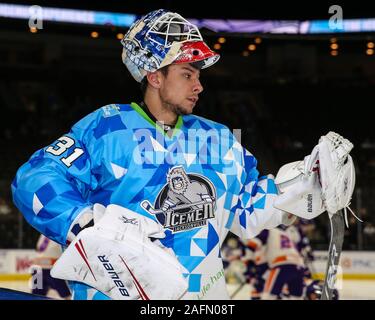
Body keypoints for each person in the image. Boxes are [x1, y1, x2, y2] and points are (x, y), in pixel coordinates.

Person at [11, 9, 328, 300]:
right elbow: (35, 177)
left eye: (198, 76)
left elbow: (248, 209)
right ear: (154, 76)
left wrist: (306, 184)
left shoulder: (218, 137)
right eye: (187, 74)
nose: (199, 86)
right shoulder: (106, 129)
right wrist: (84, 224)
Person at [30, 234, 71, 299]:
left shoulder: (44, 232)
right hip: (46, 269)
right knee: (66, 295)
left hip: (42, 269)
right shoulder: (60, 233)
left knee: (37, 296)